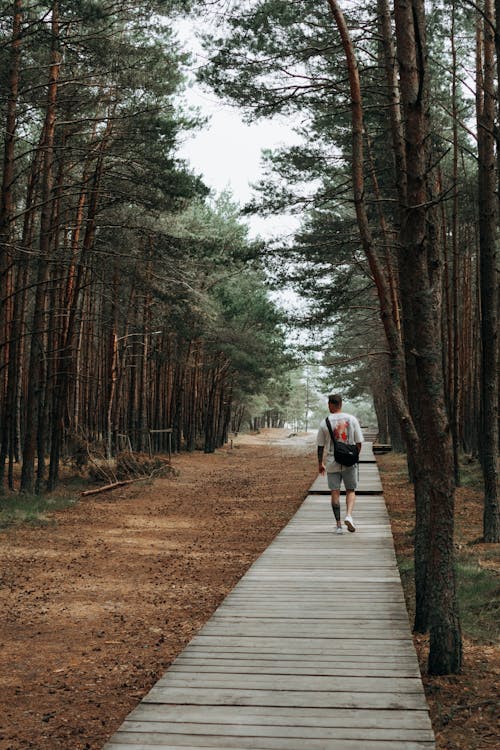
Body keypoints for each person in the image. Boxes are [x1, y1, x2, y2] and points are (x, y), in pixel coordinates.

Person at [317, 394, 363, 534]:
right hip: (349, 461)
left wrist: (320, 463)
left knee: (335, 492)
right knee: (350, 490)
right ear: (341, 404)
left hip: (332, 461)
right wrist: (353, 457)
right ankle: (348, 515)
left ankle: (338, 525)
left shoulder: (325, 422)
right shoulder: (351, 419)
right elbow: (359, 443)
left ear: (331, 404)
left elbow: (320, 446)